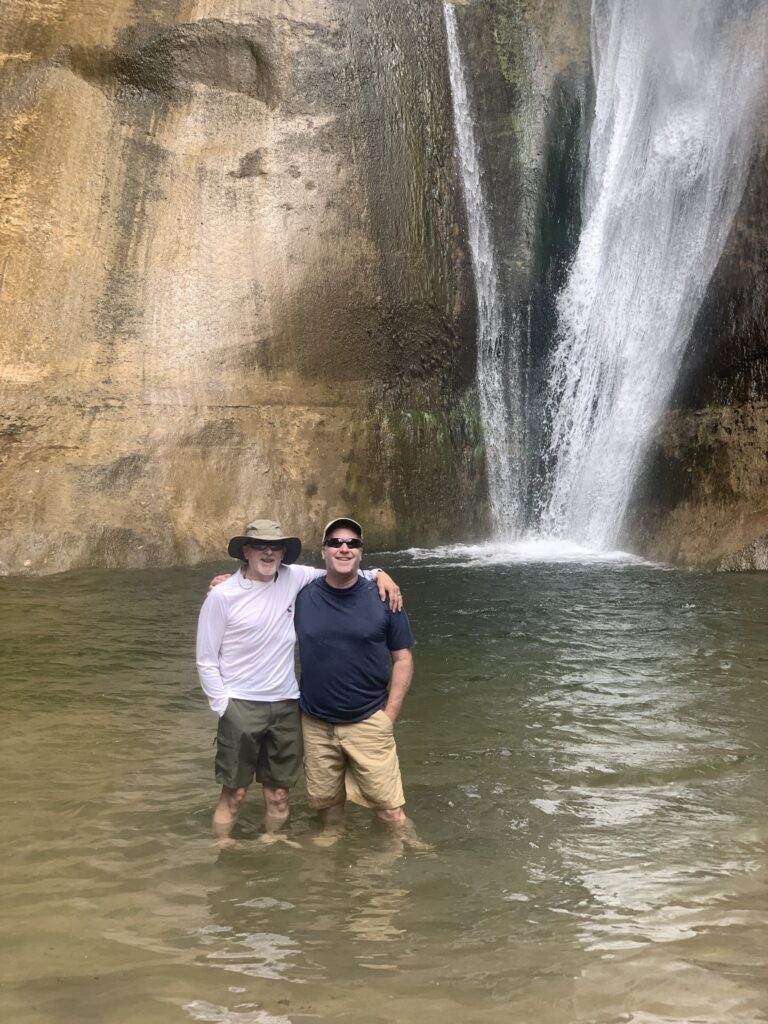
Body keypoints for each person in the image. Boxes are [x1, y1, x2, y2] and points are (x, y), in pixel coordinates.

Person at [196, 518, 400, 842]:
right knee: (233, 796)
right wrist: (223, 707)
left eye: (275, 547)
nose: (268, 552)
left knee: (279, 796)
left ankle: (274, 847)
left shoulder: (294, 578)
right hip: (241, 705)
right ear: (245, 552)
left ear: (283, 553)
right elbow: (206, 660)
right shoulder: (223, 595)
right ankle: (221, 850)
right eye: (260, 546)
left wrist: (379, 574)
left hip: (287, 706)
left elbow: (341, 570)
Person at [296, 517, 418, 842]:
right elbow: (260, 583)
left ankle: (412, 853)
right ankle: (331, 873)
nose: (344, 548)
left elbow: (403, 658)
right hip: (316, 724)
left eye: (353, 543)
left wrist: (388, 716)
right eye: (335, 542)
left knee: (390, 810)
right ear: (323, 551)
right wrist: (227, 581)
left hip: (368, 720)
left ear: (362, 553)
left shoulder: (385, 597)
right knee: (327, 808)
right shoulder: (302, 596)